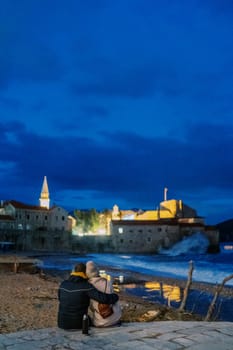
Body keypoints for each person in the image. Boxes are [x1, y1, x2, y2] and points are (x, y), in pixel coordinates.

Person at [57, 262, 119, 330]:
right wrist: (115, 296)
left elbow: (60, 299)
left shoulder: (63, 284)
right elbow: (103, 299)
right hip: (78, 324)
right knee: (89, 318)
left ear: (73, 271)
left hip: (61, 323)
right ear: (85, 273)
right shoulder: (86, 286)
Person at [86, 260, 122, 327]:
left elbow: (91, 307)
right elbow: (113, 299)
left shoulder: (87, 286)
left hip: (100, 322)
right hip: (115, 319)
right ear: (97, 271)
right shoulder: (107, 282)